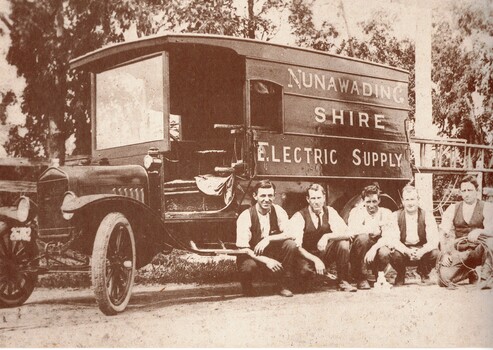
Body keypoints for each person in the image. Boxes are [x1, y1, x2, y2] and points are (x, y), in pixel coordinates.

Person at [289, 183, 356, 292]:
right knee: (305, 276)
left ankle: (343, 281)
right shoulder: (300, 216)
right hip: (306, 257)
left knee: (343, 243)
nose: (316, 202)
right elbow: (296, 247)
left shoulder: (330, 211)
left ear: (324, 198)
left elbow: (348, 233)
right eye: (313, 198)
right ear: (308, 199)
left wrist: (327, 236)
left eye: (319, 198)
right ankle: (319, 275)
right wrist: (315, 260)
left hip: (324, 253)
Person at [367, 185, 439, 286]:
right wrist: (407, 251)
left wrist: (421, 251)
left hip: (421, 249)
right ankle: (401, 274)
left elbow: (434, 240)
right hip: (403, 250)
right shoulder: (395, 216)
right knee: (390, 252)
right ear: (403, 201)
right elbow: (393, 240)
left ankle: (423, 272)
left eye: (413, 199)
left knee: (435, 253)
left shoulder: (427, 216)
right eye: (407, 200)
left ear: (418, 200)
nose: (410, 203)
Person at [236, 179, 298, 297]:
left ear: (274, 196)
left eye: (270, 195)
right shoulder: (246, 216)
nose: (266, 199)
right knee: (248, 267)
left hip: (271, 252)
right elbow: (243, 248)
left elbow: (291, 233)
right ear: (255, 196)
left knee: (290, 244)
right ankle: (248, 288)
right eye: (262, 195)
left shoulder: (278, 210)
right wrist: (267, 261)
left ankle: (281, 285)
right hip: (252, 255)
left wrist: (268, 239)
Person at [438, 175, 493, 289]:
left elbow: (491, 230)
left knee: (491, 242)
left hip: (479, 250)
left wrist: (479, 231)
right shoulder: (453, 208)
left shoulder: (486, 207)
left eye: (470, 190)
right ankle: (469, 271)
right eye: (463, 191)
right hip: (461, 251)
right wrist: (445, 253)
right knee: (443, 280)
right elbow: (442, 233)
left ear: (476, 191)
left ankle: (485, 278)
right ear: (460, 192)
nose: (466, 194)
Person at [348, 184, 394, 289]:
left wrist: (374, 248)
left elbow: (389, 236)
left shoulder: (386, 213)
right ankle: (362, 277)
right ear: (363, 201)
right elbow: (352, 230)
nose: (371, 205)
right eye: (368, 202)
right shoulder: (356, 212)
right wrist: (373, 230)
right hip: (360, 250)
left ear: (379, 201)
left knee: (385, 251)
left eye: (374, 201)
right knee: (363, 238)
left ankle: (380, 276)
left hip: (377, 247)